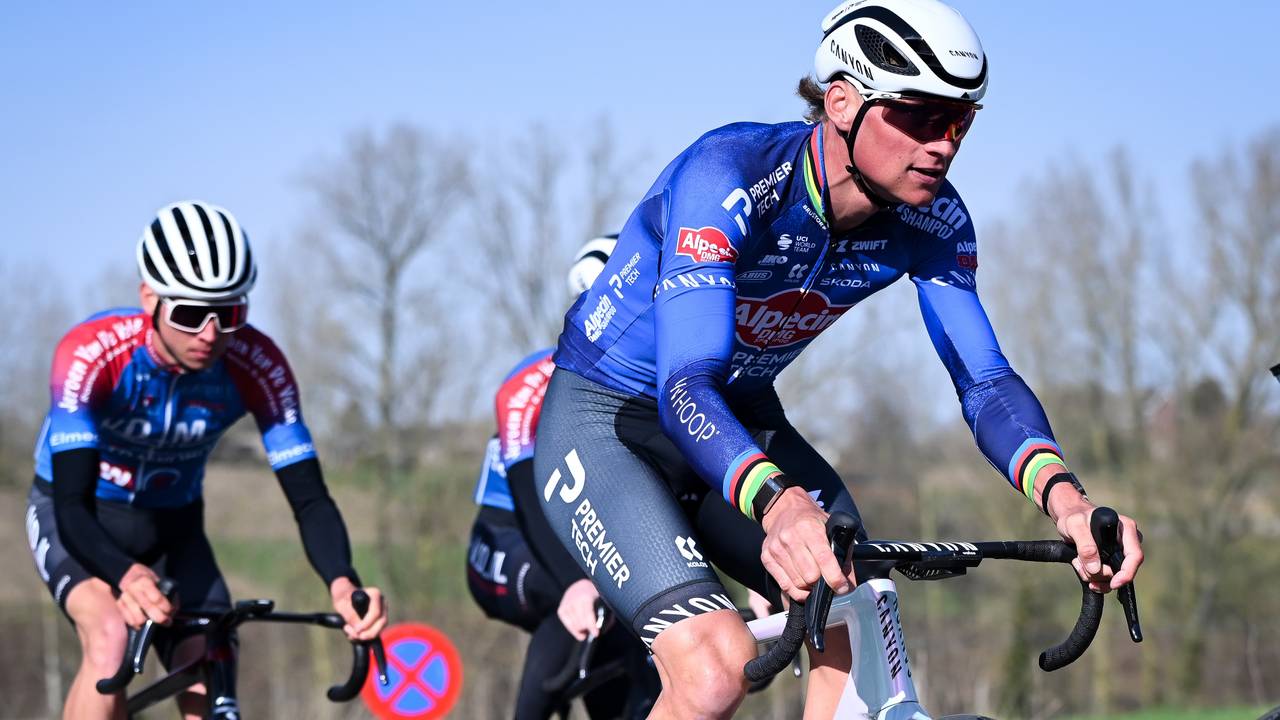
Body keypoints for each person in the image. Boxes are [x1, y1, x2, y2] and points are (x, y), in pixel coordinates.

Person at [532, 1, 1146, 717]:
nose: (942, 145)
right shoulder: (728, 175)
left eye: (959, 122)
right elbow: (686, 383)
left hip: (740, 418)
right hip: (608, 420)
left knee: (856, 608)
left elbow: (984, 380)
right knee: (713, 672)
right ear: (842, 102)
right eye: (919, 116)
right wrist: (779, 502)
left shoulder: (933, 220)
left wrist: (1068, 501)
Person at [24, 200, 387, 720]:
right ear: (149, 298)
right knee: (109, 639)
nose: (211, 335)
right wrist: (125, 575)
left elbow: (309, 500)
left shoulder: (257, 365)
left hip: (175, 525)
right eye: (191, 314)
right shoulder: (92, 355)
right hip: (83, 519)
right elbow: (72, 505)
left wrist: (343, 581)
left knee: (212, 659)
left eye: (229, 314)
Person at [467, 235, 661, 719]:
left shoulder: (663, 381)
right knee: (580, 599)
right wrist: (577, 582)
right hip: (512, 537)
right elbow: (530, 500)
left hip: (590, 545)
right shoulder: (528, 384)